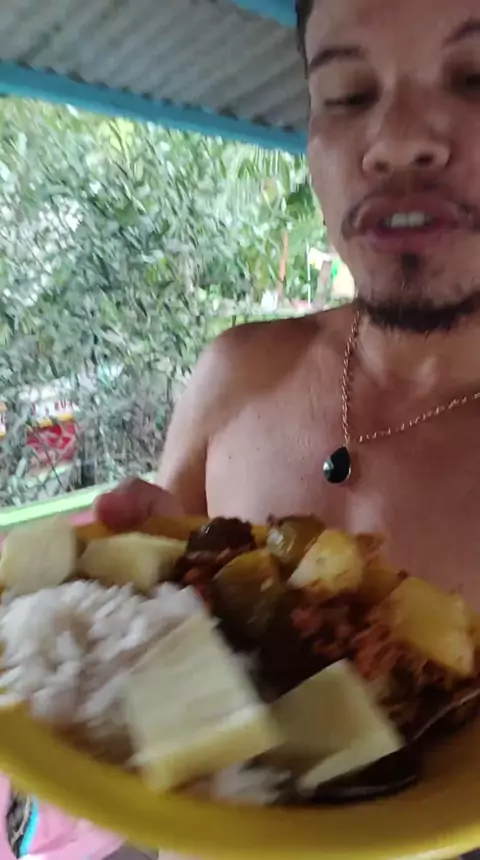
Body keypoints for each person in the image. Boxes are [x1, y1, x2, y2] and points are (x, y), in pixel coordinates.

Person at [98, 0, 480, 610]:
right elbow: (160, 573)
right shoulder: (237, 377)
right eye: (349, 94)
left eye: (473, 78)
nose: (397, 142)